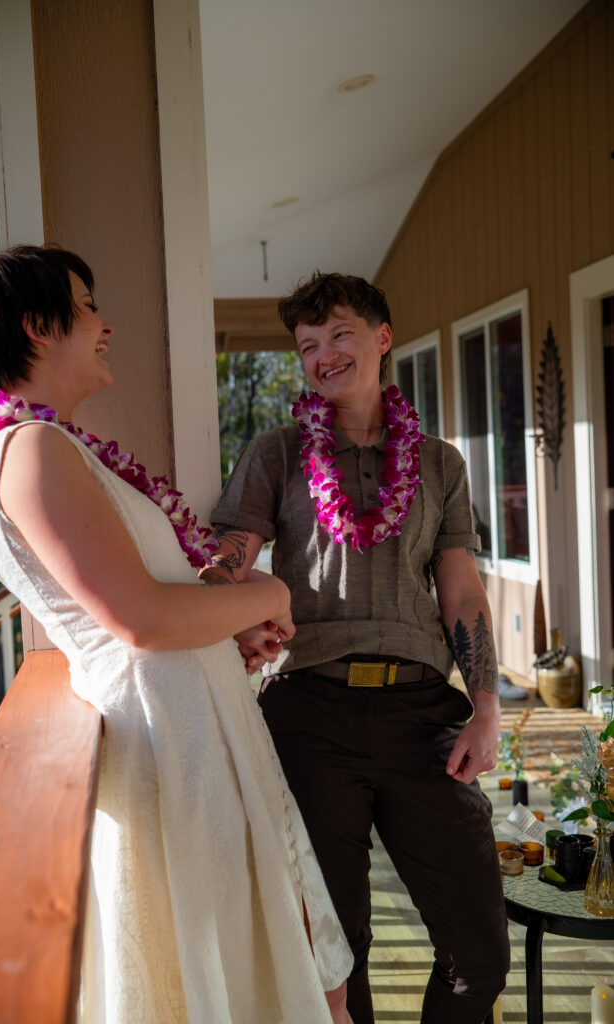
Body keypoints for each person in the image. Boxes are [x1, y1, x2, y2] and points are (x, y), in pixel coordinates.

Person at [0, 246, 355, 1024]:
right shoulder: (32, 452)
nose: (106, 326)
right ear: (38, 327)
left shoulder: (56, 447)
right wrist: (268, 590)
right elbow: (135, 620)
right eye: (88, 306)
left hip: (199, 727)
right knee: (223, 969)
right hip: (171, 751)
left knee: (270, 957)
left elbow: (155, 603)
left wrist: (228, 626)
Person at [204, 272, 510, 1024]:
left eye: (338, 334)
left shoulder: (439, 464)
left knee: (479, 953)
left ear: (380, 338)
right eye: (307, 345)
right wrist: (226, 606)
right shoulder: (275, 454)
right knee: (334, 953)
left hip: (421, 716)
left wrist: (485, 707)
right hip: (309, 714)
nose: (322, 355)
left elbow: (461, 591)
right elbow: (225, 565)